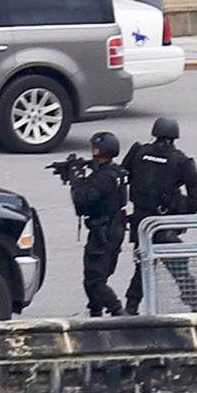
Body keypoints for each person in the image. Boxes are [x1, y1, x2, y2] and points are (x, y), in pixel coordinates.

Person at [123, 116, 197, 311]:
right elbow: (195, 195)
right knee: (178, 265)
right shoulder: (180, 160)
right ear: (174, 136)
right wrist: (182, 214)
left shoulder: (138, 152)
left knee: (143, 265)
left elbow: (122, 176)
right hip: (164, 223)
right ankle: (196, 305)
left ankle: (131, 306)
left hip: (141, 221)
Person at [65, 131, 133, 317]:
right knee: (99, 276)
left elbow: (82, 200)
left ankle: (116, 309)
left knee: (94, 280)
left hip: (103, 232)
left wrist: (75, 178)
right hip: (114, 229)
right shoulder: (115, 172)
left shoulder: (103, 178)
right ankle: (95, 311)